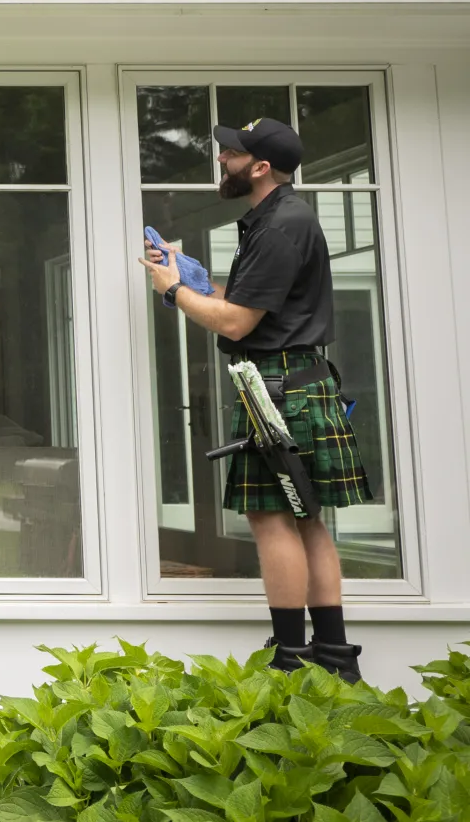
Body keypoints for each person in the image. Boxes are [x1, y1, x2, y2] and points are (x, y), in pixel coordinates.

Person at [140, 117, 369, 683]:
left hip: (281, 388)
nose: (222, 159)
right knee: (308, 519)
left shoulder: (281, 226)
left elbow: (239, 324)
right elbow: (244, 304)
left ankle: (291, 658)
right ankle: (333, 655)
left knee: (275, 520)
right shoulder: (276, 220)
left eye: (231, 153)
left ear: (260, 167)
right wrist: (192, 279)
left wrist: (171, 290)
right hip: (298, 380)